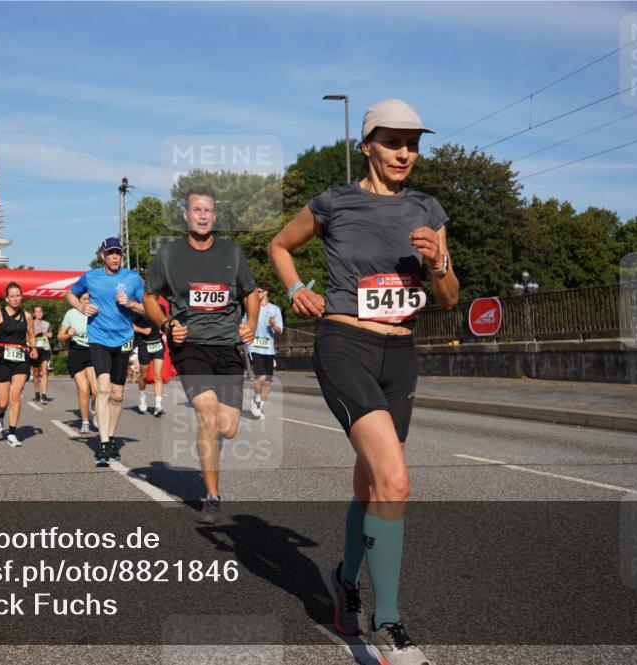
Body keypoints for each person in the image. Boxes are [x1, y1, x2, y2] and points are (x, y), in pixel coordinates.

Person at [269, 99, 458, 664]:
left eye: (413, 143)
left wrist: (439, 263)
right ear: (368, 145)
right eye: (393, 141)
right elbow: (280, 245)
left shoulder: (427, 208)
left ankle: (344, 581)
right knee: (395, 482)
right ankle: (391, 623)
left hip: (399, 355)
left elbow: (448, 300)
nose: (405, 153)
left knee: (370, 485)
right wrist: (296, 287)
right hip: (345, 344)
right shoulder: (334, 202)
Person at [144, 185, 258, 524]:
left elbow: (250, 292)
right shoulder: (169, 254)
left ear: (215, 215)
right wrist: (166, 324)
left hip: (228, 347)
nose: (203, 215)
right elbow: (151, 297)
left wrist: (250, 322)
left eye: (208, 210)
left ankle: (210, 459)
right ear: (185, 215)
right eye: (197, 210)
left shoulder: (232, 252)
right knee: (207, 414)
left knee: (228, 427)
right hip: (189, 346)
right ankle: (211, 497)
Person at [65, 237, 144, 467]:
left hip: (124, 339)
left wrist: (130, 304)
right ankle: (103, 442)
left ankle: (110, 438)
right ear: (103, 255)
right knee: (103, 388)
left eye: (118, 252)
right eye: (110, 253)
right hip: (99, 338)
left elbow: (146, 308)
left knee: (117, 395)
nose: (115, 257)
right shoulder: (91, 277)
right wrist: (81, 307)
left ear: (122, 254)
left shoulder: (132, 278)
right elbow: (69, 294)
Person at [0, 281, 36, 447]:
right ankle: (0, 415)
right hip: (2, 360)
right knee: (3, 402)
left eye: (18, 295)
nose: (15, 299)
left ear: (21, 297)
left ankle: (12, 433)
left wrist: (34, 348)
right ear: (7, 298)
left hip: (21, 359)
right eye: (12, 296)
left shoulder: (27, 316)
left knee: (15, 396)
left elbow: (31, 335)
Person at [58, 293, 97, 434]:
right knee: (83, 390)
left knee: (97, 390)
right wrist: (68, 334)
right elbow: (59, 336)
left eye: (89, 299)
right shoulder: (71, 313)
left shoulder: (95, 312)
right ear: (79, 300)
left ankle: (93, 410)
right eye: (84, 299)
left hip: (93, 351)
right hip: (77, 353)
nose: (87, 301)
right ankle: (85, 422)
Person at [245, 281, 283, 420]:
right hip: (254, 346)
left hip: (269, 349)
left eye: (259, 291)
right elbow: (244, 325)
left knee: (267, 381)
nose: (257, 294)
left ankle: (259, 404)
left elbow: (280, 330)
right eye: (256, 292)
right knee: (260, 377)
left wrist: (274, 325)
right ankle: (256, 397)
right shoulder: (251, 308)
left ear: (266, 292)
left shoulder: (275, 309)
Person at [133, 308, 166, 417]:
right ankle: (142, 397)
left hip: (158, 344)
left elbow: (164, 322)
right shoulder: (137, 309)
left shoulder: (160, 307)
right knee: (144, 375)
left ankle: (158, 405)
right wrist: (142, 331)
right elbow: (130, 325)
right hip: (144, 344)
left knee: (158, 376)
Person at [29, 306, 52, 404]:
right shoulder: (30, 324)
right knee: (35, 373)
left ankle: (44, 394)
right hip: (35, 349)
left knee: (44, 371)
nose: (39, 313)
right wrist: (36, 333)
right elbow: (27, 337)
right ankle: (36, 392)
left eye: (40, 311)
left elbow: (50, 333)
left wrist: (48, 335)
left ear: (42, 313)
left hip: (45, 348)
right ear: (33, 314)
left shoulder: (47, 324)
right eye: (36, 312)